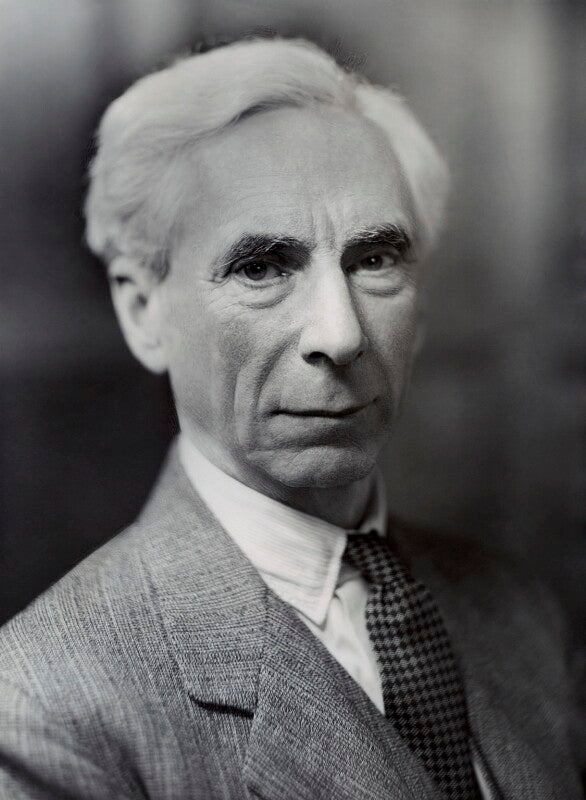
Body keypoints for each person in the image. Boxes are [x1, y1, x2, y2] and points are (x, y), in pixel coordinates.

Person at [0, 37, 580, 800]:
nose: (340, 335)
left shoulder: (522, 615)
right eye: (261, 267)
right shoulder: (44, 705)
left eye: (375, 260)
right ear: (143, 312)